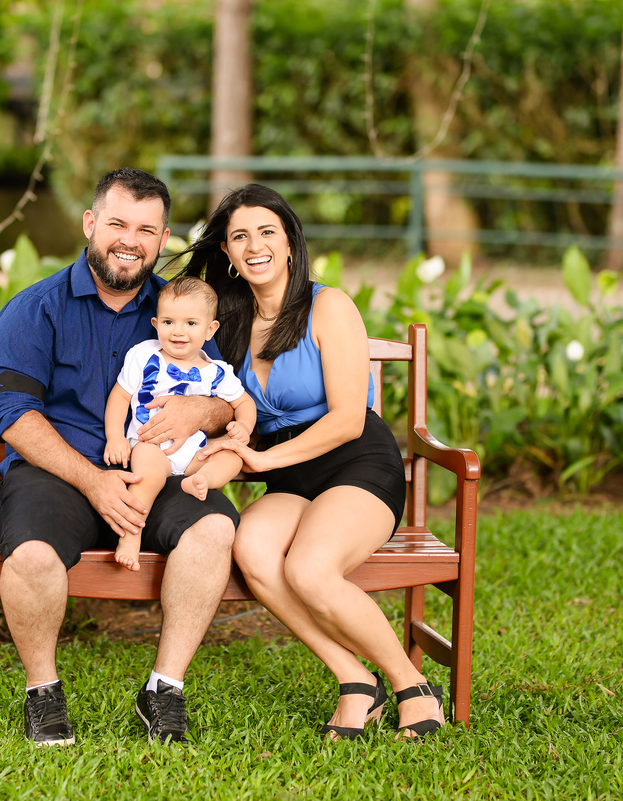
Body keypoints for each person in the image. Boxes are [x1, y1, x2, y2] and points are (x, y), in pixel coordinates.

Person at [183, 183, 447, 740]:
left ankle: (410, 684)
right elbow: (210, 394)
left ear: (289, 242)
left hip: (356, 462)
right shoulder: (224, 327)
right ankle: (355, 680)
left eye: (266, 232)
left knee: (308, 567)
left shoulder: (329, 305)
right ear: (227, 255)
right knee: (252, 549)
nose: (254, 245)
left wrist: (260, 458)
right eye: (239, 236)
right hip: (287, 476)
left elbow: (349, 418)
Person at [0, 168, 240, 747]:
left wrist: (201, 415)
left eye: (147, 229)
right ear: (90, 223)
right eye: (118, 223)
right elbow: (15, 417)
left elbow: (224, 400)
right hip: (61, 470)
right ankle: (42, 695)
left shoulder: (182, 309)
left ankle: (164, 689)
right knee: (29, 556)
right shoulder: (35, 309)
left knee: (214, 530)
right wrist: (94, 481)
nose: (130, 240)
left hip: (163, 467)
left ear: (163, 239)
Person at [103, 276, 257, 572]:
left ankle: (203, 481)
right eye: (169, 322)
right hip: (150, 445)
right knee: (145, 476)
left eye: (191, 323)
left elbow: (244, 403)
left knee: (232, 454)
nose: (178, 331)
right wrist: (115, 438)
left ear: (210, 329)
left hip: (194, 454)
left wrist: (244, 428)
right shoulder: (144, 355)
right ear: (156, 323)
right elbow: (119, 397)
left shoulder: (217, 372)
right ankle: (131, 535)